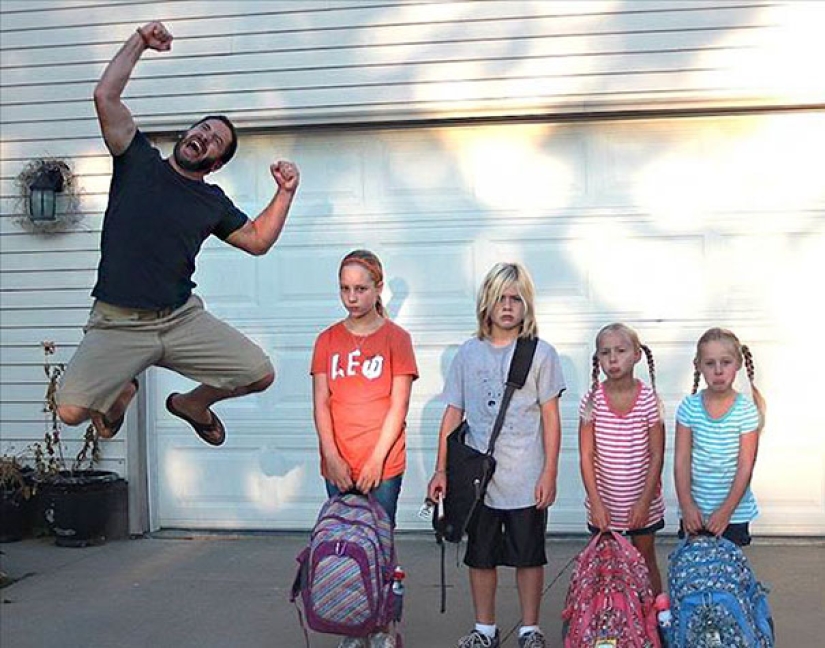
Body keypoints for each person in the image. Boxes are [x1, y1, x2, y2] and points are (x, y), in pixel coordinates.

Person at [55, 22, 300, 446]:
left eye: (215, 141)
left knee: (258, 373)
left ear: (216, 162)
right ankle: (117, 399)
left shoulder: (212, 202)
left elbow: (258, 240)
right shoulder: (137, 160)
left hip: (178, 319)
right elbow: (105, 96)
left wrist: (285, 192)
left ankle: (191, 404)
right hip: (116, 322)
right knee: (71, 411)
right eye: (202, 129)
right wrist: (139, 42)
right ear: (186, 134)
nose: (205, 137)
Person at [427, 262, 565, 648]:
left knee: (528, 556)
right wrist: (441, 469)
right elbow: (453, 412)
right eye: (500, 298)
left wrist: (550, 471)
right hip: (478, 479)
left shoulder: (540, 354)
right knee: (481, 556)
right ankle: (484, 629)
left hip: (526, 475)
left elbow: (551, 418)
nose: (507, 306)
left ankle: (529, 629)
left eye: (515, 299)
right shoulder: (468, 354)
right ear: (486, 302)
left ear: (527, 305)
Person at [310, 249, 418, 648]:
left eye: (360, 288)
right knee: (342, 546)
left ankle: (380, 626)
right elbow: (321, 402)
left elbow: (398, 405)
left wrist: (376, 460)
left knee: (378, 545)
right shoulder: (327, 340)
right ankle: (351, 626)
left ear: (378, 289)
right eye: (344, 289)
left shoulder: (396, 340)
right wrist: (334, 457)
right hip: (338, 464)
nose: (351, 297)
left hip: (382, 464)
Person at [578, 323, 666, 595]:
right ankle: (609, 621)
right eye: (605, 353)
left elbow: (656, 454)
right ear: (598, 359)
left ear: (637, 355)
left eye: (621, 350)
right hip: (605, 504)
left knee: (645, 558)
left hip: (642, 503)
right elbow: (586, 455)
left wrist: (643, 502)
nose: (613, 359)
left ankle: (653, 617)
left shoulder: (649, 400)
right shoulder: (592, 401)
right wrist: (596, 502)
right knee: (606, 567)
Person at [674, 327, 766, 547]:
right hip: (695, 511)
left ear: (738, 364)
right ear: (698, 366)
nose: (718, 371)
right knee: (695, 574)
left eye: (725, 362)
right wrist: (687, 506)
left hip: (734, 512)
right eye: (709, 363)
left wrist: (725, 511)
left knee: (729, 575)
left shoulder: (746, 411)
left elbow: (745, 466)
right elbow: (681, 460)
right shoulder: (689, 407)